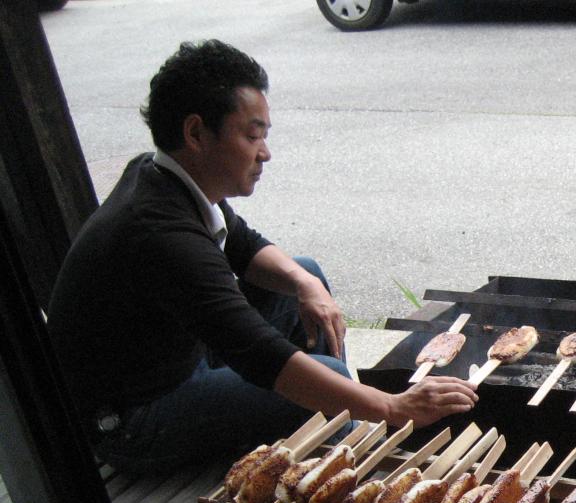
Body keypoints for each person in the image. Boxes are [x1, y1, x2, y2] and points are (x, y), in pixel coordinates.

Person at [48, 40, 476, 475]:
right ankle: (346, 435)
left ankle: (337, 423)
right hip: (133, 419)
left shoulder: (160, 176)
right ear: (196, 133)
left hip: (181, 355)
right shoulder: (160, 233)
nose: (265, 152)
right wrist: (392, 405)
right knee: (327, 373)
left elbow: (245, 245)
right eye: (252, 136)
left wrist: (306, 285)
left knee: (302, 274)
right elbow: (259, 353)